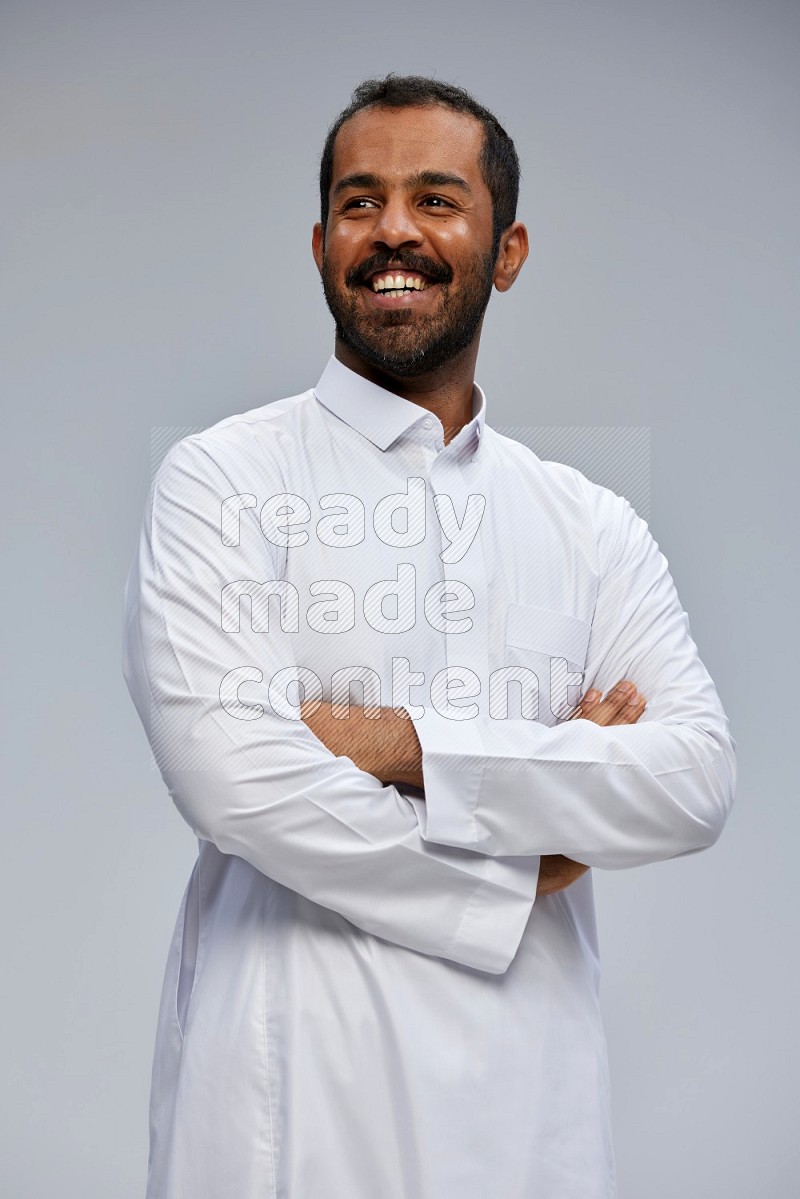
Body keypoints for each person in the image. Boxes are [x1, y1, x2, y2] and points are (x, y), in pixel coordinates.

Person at [122, 75, 736, 1199]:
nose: (392, 229)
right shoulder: (222, 479)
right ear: (319, 246)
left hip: (529, 1109)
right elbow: (236, 777)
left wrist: (392, 744)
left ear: (505, 251)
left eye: (435, 198)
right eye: (360, 203)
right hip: (288, 1099)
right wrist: (529, 847)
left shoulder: (589, 524)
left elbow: (690, 777)